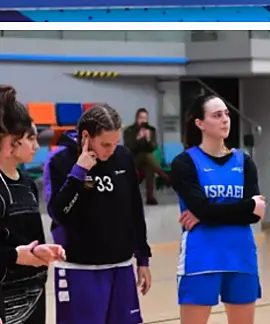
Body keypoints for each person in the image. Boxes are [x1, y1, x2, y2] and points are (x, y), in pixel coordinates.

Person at [43, 104, 152, 324]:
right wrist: (79, 173)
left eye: (115, 143)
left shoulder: (123, 157)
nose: (110, 150)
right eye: (105, 144)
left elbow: (134, 210)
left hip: (120, 268)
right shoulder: (60, 161)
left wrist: (142, 258)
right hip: (78, 270)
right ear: (86, 136)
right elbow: (58, 213)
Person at [171, 94, 265, 324]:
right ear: (200, 123)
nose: (225, 120)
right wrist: (242, 207)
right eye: (216, 115)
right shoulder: (184, 163)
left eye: (226, 114)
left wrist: (206, 213)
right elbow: (206, 208)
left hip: (241, 257)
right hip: (201, 259)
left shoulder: (244, 162)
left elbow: (253, 214)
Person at [0, 85, 64, 324]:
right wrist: (16, 256)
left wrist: (40, 252)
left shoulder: (26, 182)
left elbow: (27, 239)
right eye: (30, 138)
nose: (37, 146)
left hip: (33, 296)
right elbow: (13, 252)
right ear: (10, 143)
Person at [123, 108, 170, 206]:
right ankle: (165, 176)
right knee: (145, 155)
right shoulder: (129, 130)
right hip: (133, 159)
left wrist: (148, 139)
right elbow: (128, 147)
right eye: (141, 118)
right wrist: (138, 138)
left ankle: (150, 198)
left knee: (149, 168)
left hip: (147, 161)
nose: (143, 120)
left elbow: (153, 148)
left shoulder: (151, 130)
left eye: (145, 118)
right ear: (137, 118)